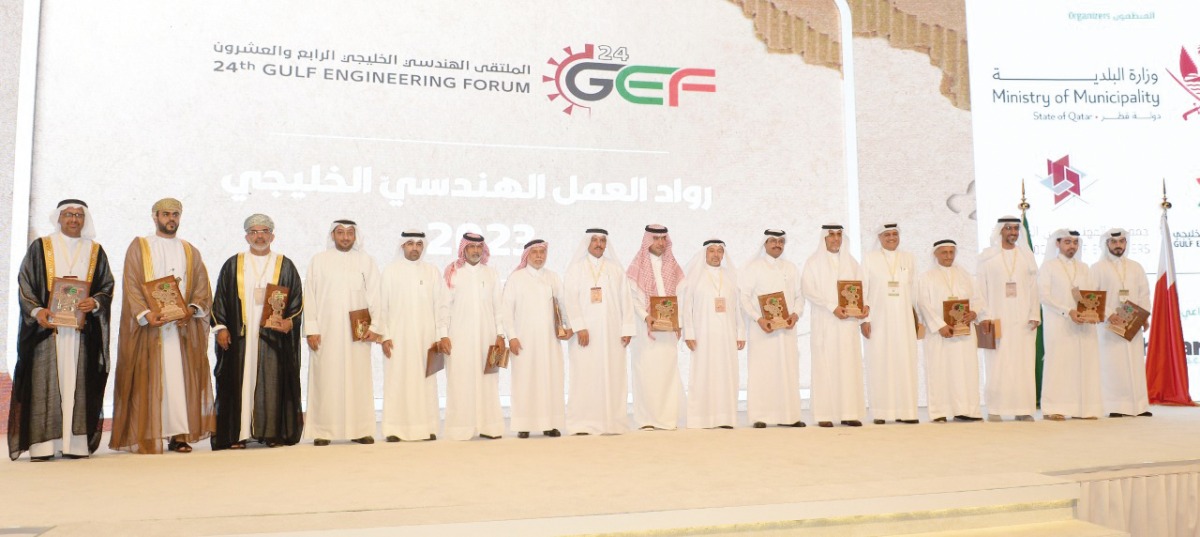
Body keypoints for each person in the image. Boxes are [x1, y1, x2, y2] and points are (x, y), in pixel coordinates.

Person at [9, 199, 114, 461]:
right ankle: (43, 446)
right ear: (59, 217)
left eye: (79, 215)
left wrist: (96, 301)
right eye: (69, 215)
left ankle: (75, 443)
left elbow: (106, 285)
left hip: (81, 333)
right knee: (45, 384)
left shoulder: (95, 250)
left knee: (78, 385)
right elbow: (26, 283)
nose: (74, 219)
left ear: (85, 219)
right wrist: (37, 311)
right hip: (47, 331)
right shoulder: (41, 247)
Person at [110, 198, 215, 454]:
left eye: (176, 215)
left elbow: (202, 286)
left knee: (179, 380)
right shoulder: (141, 246)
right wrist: (146, 314)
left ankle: (179, 435)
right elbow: (131, 283)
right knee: (151, 378)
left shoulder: (190, 250)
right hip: (151, 328)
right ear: (155, 216)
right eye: (166, 214)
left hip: (181, 329)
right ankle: (150, 433)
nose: (171, 219)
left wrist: (192, 310)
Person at [210, 214, 304, 450]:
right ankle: (237, 434)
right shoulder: (234, 263)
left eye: (264, 231)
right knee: (237, 384)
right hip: (240, 337)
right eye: (253, 232)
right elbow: (220, 299)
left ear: (272, 235)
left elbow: (297, 302)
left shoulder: (285, 264)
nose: (259, 236)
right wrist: (220, 328)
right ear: (246, 236)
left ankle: (271, 433)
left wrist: (289, 322)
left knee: (272, 383)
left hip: (272, 338)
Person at [304, 220, 382, 445]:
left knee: (358, 379)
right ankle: (323, 430)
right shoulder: (318, 261)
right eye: (340, 233)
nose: (345, 237)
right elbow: (310, 296)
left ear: (356, 236)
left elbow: (375, 295)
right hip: (325, 332)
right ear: (333, 235)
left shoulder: (366, 261)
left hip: (357, 333)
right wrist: (311, 329)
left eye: (350, 233)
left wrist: (375, 327)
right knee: (325, 380)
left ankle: (360, 429)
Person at [562, 228, 636, 435]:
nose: (598, 244)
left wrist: (627, 327)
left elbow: (625, 300)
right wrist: (579, 326)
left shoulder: (615, 269)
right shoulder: (576, 269)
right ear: (587, 242)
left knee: (613, 375)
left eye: (602, 240)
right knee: (585, 376)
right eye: (594, 240)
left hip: (613, 333)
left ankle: (612, 422)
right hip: (585, 334)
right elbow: (570, 299)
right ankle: (583, 423)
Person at [380, 230, 446, 442]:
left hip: (426, 338)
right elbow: (382, 307)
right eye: (410, 244)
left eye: (419, 244)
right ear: (402, 247)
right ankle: (394, 429)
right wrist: (385, 336)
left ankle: (427, 428)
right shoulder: (390, 271)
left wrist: (441, 335)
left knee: (425, 381)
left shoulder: (432, 271)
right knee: (398, 380)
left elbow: (441, 306)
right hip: (398, 338)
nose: (415, 248)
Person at [439, 233, 506, 440]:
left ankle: (489, 426)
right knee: (460, 381)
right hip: (459, 338)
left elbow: (498, 308)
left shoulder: (491, 273)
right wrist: (443, 335)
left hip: (487, 338)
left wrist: (501, 334)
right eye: (471, 247)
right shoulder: (453, 272)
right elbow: (444, 307)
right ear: (464, 249)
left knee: (488, 381)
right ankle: (460, 428)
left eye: (479, 247)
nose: (475, 251)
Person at [801, 224, 869, 428]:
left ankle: (849, 413)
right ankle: (825, 414)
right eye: (831, 235)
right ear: (824, 238)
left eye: (839, 235)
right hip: (825, 322)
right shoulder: (813, 262)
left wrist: (864, 310)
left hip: (848, 324)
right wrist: (832, 307)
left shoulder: (852, 263)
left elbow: (863, 289)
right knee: (825, 366)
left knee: (849, 365)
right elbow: (808, 290)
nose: (835, 239)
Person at [503, 239, 572, 438]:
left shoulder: (553, 277)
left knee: (550, 380)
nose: (539, 256)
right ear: (527, 255)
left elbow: (563, 304)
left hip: (550, 341)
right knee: (525, 380)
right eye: (535, 252)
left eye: (542, 252)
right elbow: (507, 310)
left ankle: (550, 424)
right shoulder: (516, 278)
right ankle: (524, 424)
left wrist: (568, 326)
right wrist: (512, 337)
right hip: (523, 341)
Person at [975, 216, 1040, 422]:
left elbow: (1033, 288)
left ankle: (1023, 409)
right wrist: (984, 315)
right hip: (996, 317)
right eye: (1008, 228)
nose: (1013, 232)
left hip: (1023, 320)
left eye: (1015, 228)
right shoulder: (988, 257)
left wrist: (1034, 314)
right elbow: (980, 288)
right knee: (997, 362)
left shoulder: (1026, 257)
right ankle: (995, 408)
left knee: (1023, 362)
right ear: (1000, 231)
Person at [738, 229, 804, 429]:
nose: (777, 244)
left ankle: (790, 416)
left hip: (787, 329)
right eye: (773, 241)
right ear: (764, 244)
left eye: (781, 241)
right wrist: (758, 319)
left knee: (788, 370)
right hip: (762, 330)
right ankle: (760, 416)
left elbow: (800, 296)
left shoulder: (791, 268)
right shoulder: (753, 268)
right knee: (763, 371)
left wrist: (796, 314)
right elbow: (744, 298)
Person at [1037, 229, 1104, 421]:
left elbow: (1092, 294)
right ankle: (1054, 408)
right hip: (1059, 323)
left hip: (1084, 325)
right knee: (1059, 364)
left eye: (1075, 242)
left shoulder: (1084, 268)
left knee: (1084, 363)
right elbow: (1044, 296)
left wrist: (1093, 311)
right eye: (1067, 242)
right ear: (1057, 244)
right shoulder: (1049, 267)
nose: (1072, 246)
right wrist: (1068, 311)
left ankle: (1084, 409)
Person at [859, 223, 920, 425]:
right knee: (880, 362)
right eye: (887, 235)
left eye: (895, 234)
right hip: (879, 320)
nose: (891, 238)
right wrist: (864, 320)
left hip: (903, 320)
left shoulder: (908, 258)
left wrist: (917, 318)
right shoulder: (870, 259)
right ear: (880, 237)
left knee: (905, 361)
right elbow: (863, 289)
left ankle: (907, 411)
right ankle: (881, 412)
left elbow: (915, 291)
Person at [627, 225, 686, 430]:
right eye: (656, 239)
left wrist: (679, 321)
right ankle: (646, 419)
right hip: (645, 329)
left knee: (667, 371)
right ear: (647, 241)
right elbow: (632, 299)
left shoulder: (672, 266)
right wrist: (646, 316)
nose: (660, 243)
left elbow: (681, 296)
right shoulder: (637, 266)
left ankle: (667, 418)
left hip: (668, 329)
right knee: (645, 372)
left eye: (663, 239)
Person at [917, 240, 983, 422]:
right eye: (944, 252)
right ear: (935, 254)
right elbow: (923, 303)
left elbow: (978, 298)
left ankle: (966, 410)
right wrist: (940, 325)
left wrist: (974, 312)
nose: (948, 256)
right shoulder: (927, 277)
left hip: (964, 333)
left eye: (951, 252)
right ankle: (940, 412)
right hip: (940, 334)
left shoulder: (965, 275)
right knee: (939, 370)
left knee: (965, 370)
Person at [681, 239, 744, 429]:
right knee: (703, 374)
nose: (716, 255)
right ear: (704, 254)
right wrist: (689, 333)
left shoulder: (731, 277)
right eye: (712, 251)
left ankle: (725, 418)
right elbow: (686, 308)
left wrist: (740, 333)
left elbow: (737, 308)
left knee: (726, 374)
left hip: (726, 336)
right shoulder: (694, 277)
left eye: (719, 251)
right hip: (703, 335)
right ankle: (701, 418)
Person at [1093, 229, 1152, 418]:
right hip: (1109, 325)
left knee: (1134, 364)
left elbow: (1144, 293)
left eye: (1121, 242)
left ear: (1126, 244)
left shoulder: (1136, 267)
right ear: (1106, 244)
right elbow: (1092, 295)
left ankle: (1139, 406)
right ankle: (1114, 406)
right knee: (1112, 365)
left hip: (1133, 322)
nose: (1118, 245)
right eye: (1114, 242)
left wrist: (1143, 317)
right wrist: (1110, 314)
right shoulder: (1097, 268)